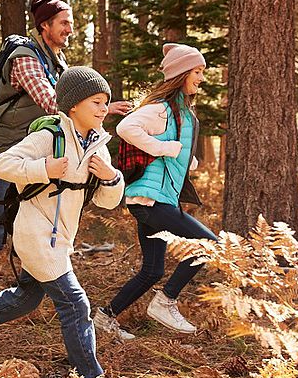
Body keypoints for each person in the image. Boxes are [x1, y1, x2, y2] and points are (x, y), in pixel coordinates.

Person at [0, 67, 129, 378]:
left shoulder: (98, 146)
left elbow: (106, 202)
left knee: (27, 298)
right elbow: (2, 164)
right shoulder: (50, 137)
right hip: (35, 232)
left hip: (60, 239)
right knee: (75, 304)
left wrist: (111, 176)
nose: (104, 109)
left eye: (106, 102)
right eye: (97, 102)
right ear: (73, 105)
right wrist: (43, 168)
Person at [0, 0, 131, 302]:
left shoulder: (55, 60)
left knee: (34, 218)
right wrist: (102, 109)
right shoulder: (25, 58)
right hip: (11, 150)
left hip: (40, 151)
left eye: (71, 22)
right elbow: (52, 103)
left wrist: (95, 108)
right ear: (45, 25)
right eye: (64, 22)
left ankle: (31, 290)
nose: (70, 28)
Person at [93, 43, 218, 342]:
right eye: (197, 72)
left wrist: (186, 159)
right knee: (207, 245)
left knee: (152, 270)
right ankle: (165, 302)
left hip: (151, 201)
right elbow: (126, 127)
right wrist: (164, 148)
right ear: (181, 73)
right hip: (152, 200)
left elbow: (175, 147)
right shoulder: (160, 108)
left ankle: (103, 318)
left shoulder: (182, 111)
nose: (201, 78)